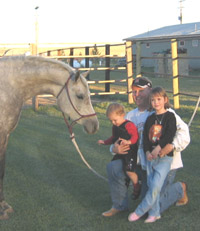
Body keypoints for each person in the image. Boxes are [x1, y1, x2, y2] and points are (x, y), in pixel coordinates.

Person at [102, 77, 190, 218]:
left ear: (150, 90)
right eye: (134, 91)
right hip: (141, 166)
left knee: (150, 208)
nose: (137, 95)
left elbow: (184, 134)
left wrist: (171, 146)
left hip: (163, 165)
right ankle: (119, 205)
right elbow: (116, 140)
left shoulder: (165, 113)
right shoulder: (129, 117)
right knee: (114, 166)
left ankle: (179, 189)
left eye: (141, 91)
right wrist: (114, 148)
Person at [128, 87, 177, 223]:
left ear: (165, 100)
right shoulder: (150, 118)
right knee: (151, 185)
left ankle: (139, 211)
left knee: (156, 185)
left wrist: (159, 148)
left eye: (159, 99)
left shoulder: (170, 116)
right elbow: (145, 139)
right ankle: (154, 213)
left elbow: (169, 134)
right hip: (150, 158)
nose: (156, 103)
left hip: (164, 158)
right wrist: (148, 152)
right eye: (153, 100)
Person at [98, 103, 141, 199]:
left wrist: (129, 142)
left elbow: (135, 137)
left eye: (115, 120)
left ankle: (136, 185)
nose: (113, 122)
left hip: (130, 152)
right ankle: (120, 189)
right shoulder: (115, 127)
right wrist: (104, 142)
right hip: (119, 152)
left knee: (129, 171)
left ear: (122, 115)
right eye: (111, 121)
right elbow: (113, 138)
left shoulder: (129, 125)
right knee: (113, 166)